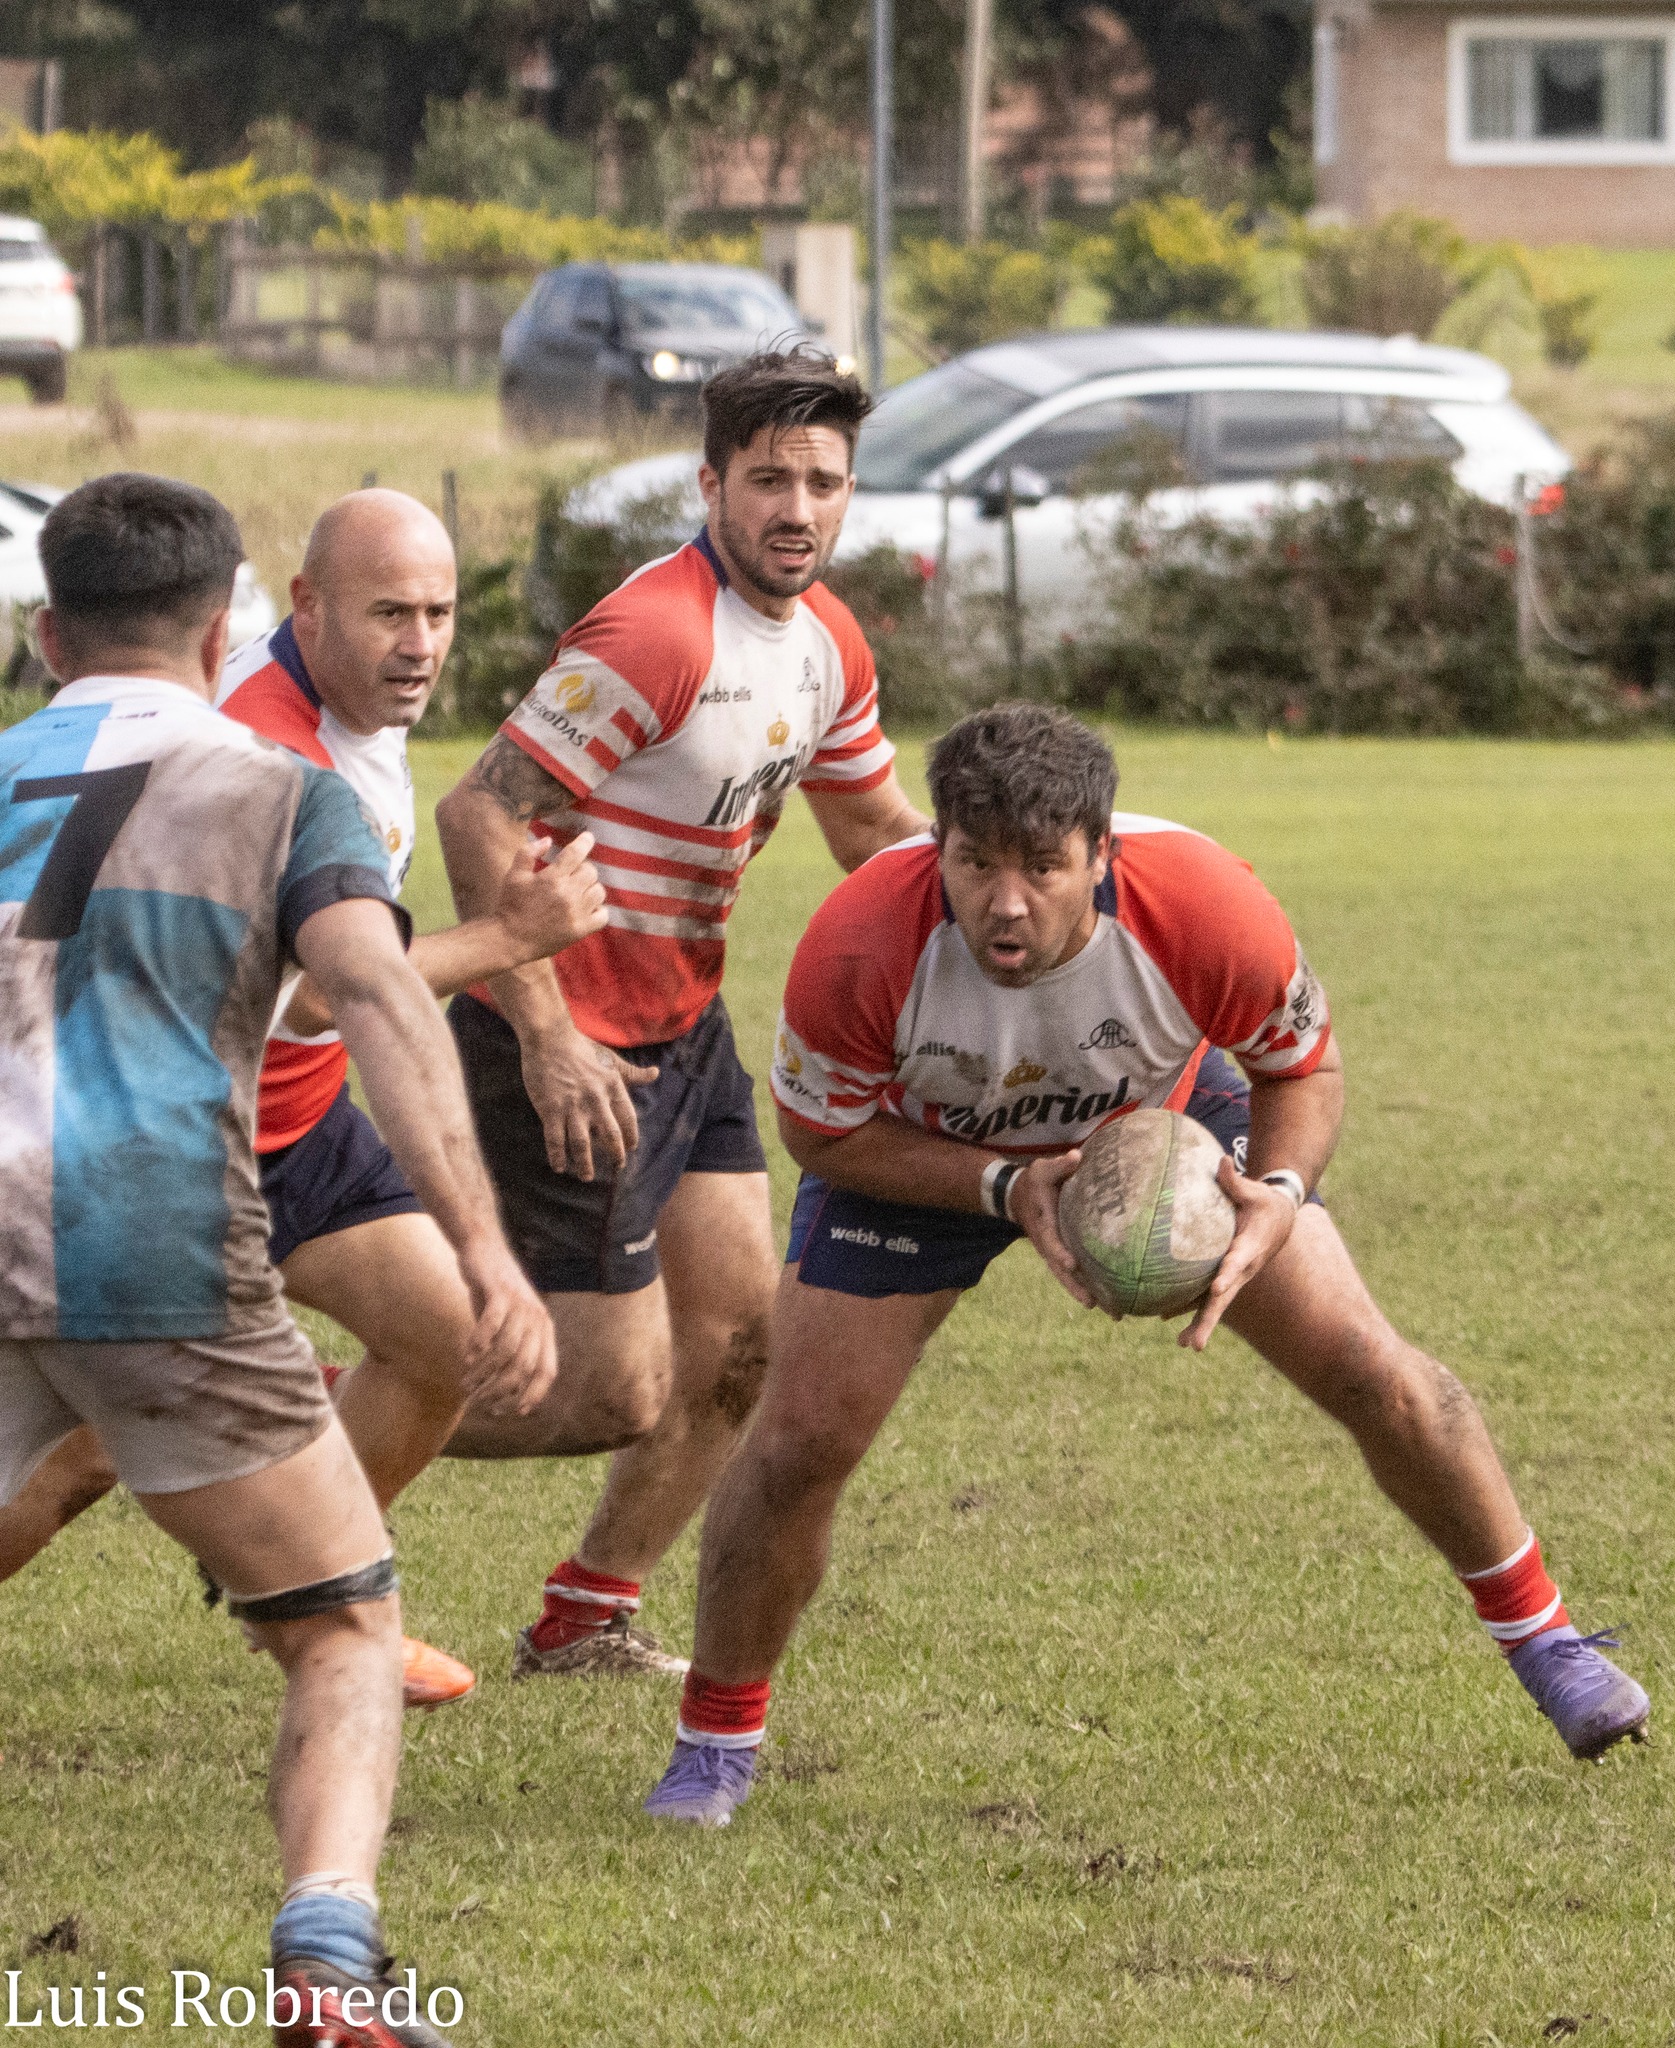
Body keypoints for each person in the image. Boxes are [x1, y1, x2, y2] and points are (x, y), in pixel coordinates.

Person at [642, 702, 1649, 1826]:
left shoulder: (1203, 904)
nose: (1005, 899)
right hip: (925, 1153)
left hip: (1161, 1122)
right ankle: (713, 1745)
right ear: (939, 848)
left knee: (1369, 1364)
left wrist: (1276, 1194)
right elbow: (821, 1131)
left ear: (1102, 854)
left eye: (1042, 865)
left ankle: (1549, 1642)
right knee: (796, 1443)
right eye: (975, 863)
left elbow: (1301, 1069)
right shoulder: (861, 941)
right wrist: (1002, 1185)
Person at [0, 473, 557, 2041]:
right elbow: (374, 1001)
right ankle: (327, 1985)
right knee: (341, 1630)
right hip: (152, 1256)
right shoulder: (275, 788)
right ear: (232, 622)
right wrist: (485, 1252)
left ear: (47, 635)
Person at [433, 345, 927, 1679]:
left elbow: (872, 826)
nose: (796, 507)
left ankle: (585, 1615)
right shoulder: (655, 633)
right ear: (709, 484)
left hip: (681, 1028)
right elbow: (479, 811)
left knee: (738, 1346)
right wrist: (543, 1032)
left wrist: (1016, 922)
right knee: (602, 1388)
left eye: (822, 481)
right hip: (558, 1035)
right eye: (766, 477)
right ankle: (261, 1420)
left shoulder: (824, 642)